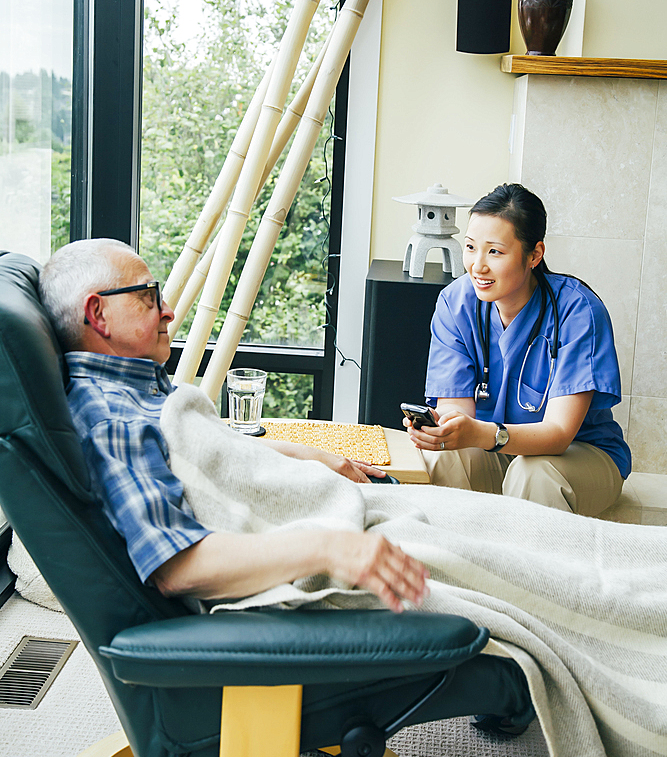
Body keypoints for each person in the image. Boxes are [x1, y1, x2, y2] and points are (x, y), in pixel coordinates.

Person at [39, 238, 428, 613]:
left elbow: (217, 457)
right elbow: (176, 566)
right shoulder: (111, 420)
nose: (168, 311)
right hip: (336, 541)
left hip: (345, 515)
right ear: (98, 314)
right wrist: (332, 548)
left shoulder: (134, 390)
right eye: (148, 296)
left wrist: (313, 457)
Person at [405, 183, 630, 516]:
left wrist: (486, 433)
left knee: (533, 473)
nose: (477, 266)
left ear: (534, 255)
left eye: (494, 252)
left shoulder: (577, 310)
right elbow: (459, 415)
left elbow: (558, 435)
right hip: (492, 449)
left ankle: (527, 570)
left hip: (577, 456)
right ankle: (450, 564)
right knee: (441, 456)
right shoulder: (456, 304)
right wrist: (444, 429)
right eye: (470, 247)